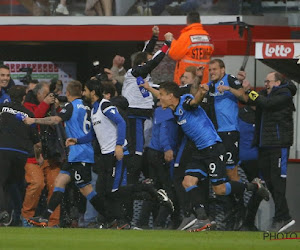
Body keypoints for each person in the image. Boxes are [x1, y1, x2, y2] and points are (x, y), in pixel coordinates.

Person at [142, 81, 269, 232]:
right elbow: (162, 94)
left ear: (171, 96)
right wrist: (149, 87)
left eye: (162, 95)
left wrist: (202, 93)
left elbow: (195, 102)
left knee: (220, 190)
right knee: (188, 182)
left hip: (212, 149)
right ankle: (203, 219)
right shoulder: (173, 105)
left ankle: (254, 186)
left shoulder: (185, 102)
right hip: (200, 151)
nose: (159, 98)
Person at [23, 80, 106, 227]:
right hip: (77, 154)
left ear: (67, 93)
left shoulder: (71, 106)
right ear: (80, 92)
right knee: (59, 182)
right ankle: (44, 218)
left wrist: (34, 120)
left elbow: (56, 120)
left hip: (80, 154)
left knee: (86, 189)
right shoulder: (88, 107)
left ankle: (110, 217)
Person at [246, 71, 296, 232]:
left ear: (278, 83)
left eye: (268, 81)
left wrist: (249, 90)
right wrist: (242, 88)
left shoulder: (285, 94)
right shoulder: (265, 95)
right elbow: (253, 101)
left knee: (277, 182)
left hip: (278, 145)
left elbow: (266, 104)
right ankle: (282, 217)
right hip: (265, 145)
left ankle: (283, 217)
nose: (265, 84)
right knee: (269, 182)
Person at [122, 28, 172, 184]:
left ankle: (149, 180)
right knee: (136, 153)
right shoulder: (133, 73)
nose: (150, 63)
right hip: (134, 116)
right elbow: (150, 61)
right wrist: (167, 44)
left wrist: (154, 37)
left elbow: (146, 55)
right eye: (147, 61)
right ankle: (132, 185)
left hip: (146, 116)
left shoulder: (146, 78)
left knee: (146, 152)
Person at [21, 82, 61, 227]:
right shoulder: (27, 106)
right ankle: (26, 218)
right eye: (45, 95)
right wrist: (45, 103)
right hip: (33, 155)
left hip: (52, 155)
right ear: (38, 94)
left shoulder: (53, 107)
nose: (49, 98)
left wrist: (56, 108)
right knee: (37, 184)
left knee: (56, 186)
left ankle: (53, 222)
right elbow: (34, 119)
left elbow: (60, 124)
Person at [0, 86, 40, 224]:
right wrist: (39, 156)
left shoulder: (2, 108)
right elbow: (36, 140)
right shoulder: (29, 113)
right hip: (21, 153)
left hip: (4, 149)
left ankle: (3, 212)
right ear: (23, 97)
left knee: (2, 182)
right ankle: (18, 216)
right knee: (14, 184)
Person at [167, 12, 214, 85]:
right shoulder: (207, 36)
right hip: (203, 79)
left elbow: (174, 54)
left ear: (187, 21)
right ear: (199, 21)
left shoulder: (186, 36)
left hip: (187, 79)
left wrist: (172, 41)